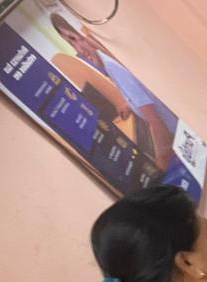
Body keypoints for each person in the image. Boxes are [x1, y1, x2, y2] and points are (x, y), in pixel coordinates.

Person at [52, 12, 178, 168]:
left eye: (76, 38)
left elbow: (156, 123)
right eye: (71, 43)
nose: (79, 50)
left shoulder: (114, 68)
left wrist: (161, 162)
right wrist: (129, 104)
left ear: (89, 33)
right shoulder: (111, 62)